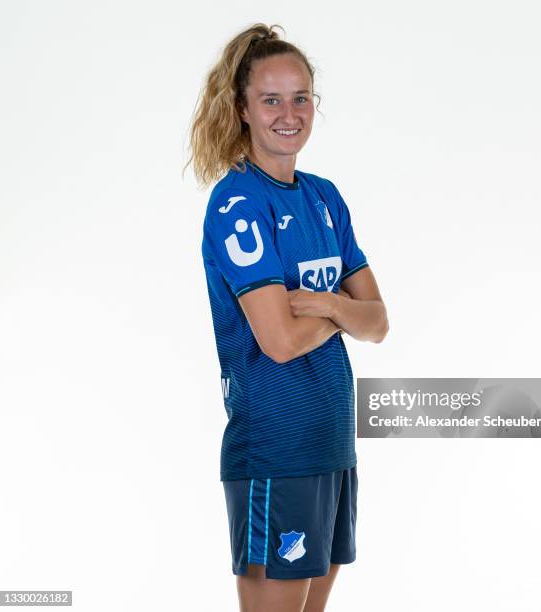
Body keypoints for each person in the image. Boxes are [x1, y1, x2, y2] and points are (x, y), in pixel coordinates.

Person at [185, 23, 389, 612]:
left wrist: (325, 304)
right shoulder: (237, 204)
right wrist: (346, 313)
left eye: (301, 97)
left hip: (332, 447)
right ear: (242, 109)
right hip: (275, 452)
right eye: (271, 99)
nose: (288, 112)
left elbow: (378, 322)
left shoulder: (324, 196)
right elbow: (277, 340)